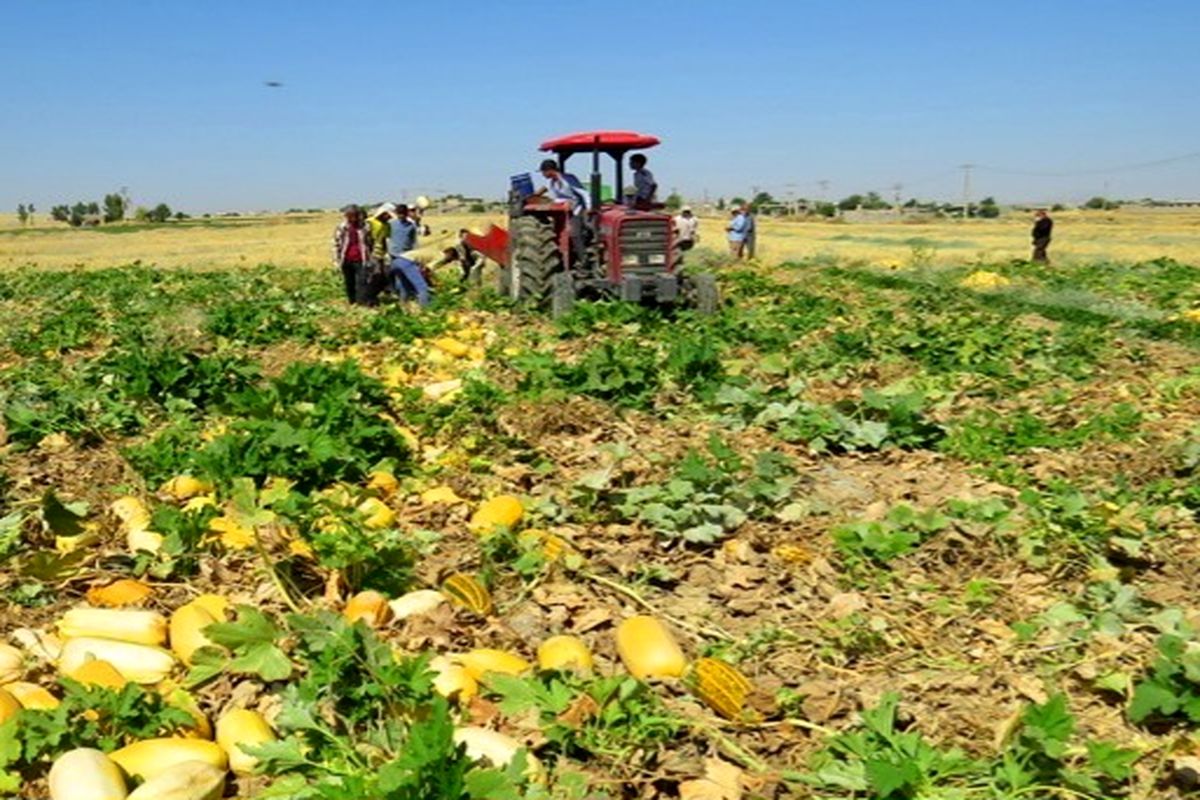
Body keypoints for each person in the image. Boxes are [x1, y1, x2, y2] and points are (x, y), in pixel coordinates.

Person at [535, 158, 588, 258]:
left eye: (543, 172)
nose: (542, 175)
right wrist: (534, 195)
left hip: (577, 209)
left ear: (549, 171)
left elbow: (584, 194)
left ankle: (584, 261)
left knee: (574, 233)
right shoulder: (552, 182)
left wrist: (589, 209)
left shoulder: (568, 179)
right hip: (564, 211)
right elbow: (546, 191)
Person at [331, 205, 373, 305]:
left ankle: (361, 303)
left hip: (361, 259)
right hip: (346, 259)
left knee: (362, 282)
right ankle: (352, 301)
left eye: (355, 216)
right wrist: (335, 260)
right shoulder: (342, 227)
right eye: (350, 216)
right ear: (346, 216)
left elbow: (370, 242)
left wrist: (370, 257)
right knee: (349, 282)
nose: (353, 218)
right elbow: (336, 244)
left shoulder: (365, 227)